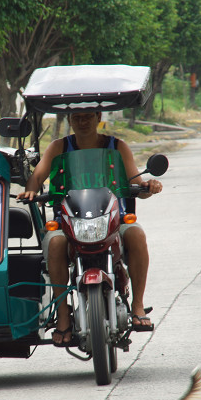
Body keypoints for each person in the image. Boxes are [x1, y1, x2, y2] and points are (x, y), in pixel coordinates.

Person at [17, 111, 163, 346]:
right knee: (55, 242)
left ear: (98, 118)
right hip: (68, 222)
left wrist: (148, 186)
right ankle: (63, 316)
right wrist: (32, 190)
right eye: (77, 117)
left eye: (88, 116)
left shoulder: (118, 146)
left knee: (136, 233)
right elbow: (37, 176)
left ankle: (137, 306)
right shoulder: (58, 147)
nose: (82, 122)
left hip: (113, 220)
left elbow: (136, 183)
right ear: (70, 121)